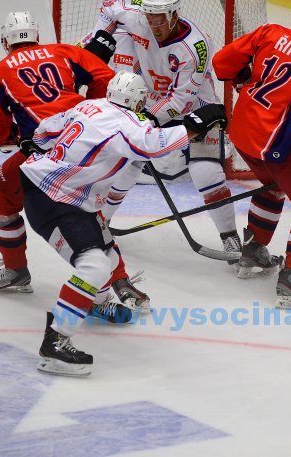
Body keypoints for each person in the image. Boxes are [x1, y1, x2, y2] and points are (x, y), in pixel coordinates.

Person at [20, 71, 227, 376]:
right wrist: (195, 124)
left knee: (108, 256)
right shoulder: (127, 124)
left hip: (56, 191)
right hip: (55, 197)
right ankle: (56, 343)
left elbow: (46, 130)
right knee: (94, 267)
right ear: (136, 100)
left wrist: (35, 144)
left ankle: (91, 301)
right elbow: (154, 145)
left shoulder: (89, 106)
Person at [0, 10, 140, 311]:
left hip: (48, 155)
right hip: (88, 141)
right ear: (37, 36)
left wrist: (13, 135)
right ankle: (119, 278)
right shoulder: (65, 51)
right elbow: (106, 80)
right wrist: (92, 109)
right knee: (88, 206)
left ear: (6, 41)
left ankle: (19, 271)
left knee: (4, 200)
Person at [79, 0, 241, 255]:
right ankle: (100, 222)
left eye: (160, 20)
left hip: (198, 107)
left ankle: (230, 237)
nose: (153, 26)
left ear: (175, 14)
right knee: (129, 160)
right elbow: (110, 6)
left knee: (206, 171)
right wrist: (100, 36)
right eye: (150, 19)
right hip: (153, 100)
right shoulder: (138, 16)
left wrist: (145, 121)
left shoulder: (195, 47)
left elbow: (180, 101)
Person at [212, 0, 291, 307]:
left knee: (273, 186)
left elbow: (222, 64)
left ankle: (252, 252)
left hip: (241, 131)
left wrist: (242, 76)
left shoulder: (269, 32)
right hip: (273, 142)